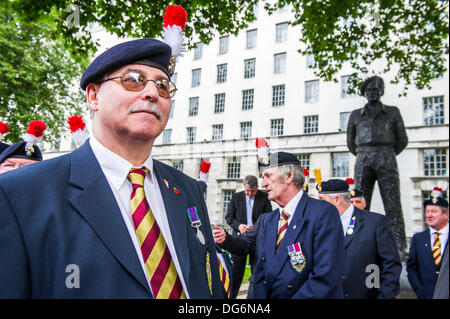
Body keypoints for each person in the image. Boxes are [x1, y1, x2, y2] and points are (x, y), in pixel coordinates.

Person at [0, 37, 226, 298]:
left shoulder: (186, 189)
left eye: (163, 86)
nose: (152, 93)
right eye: (133, 79)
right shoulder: (20, 194)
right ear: (94, 96)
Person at [252, 152, 345, 298]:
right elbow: (260, 274)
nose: (263, 184)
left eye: (268, 176)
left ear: (289, 176)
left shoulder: (323, 213)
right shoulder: (269, 220)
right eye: (262, 177)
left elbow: (325, 277)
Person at [347, 75, 408, 256]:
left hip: (386, 156)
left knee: (393, 203)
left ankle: (400, 246)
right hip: (363, 157)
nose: (372, 94)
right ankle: (356, 242)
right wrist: (365, 152)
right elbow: (351, 142)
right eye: (369, 91)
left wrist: (386, 153)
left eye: (375, 90)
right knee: (358, 202)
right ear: (365, 93)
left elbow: (402, 139)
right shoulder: (356, 115)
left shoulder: (393, 112)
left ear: (381, 91)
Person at [317, 179, 401, 299]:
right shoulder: (319, 225)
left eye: (321, 200)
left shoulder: (375, 223)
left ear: (336, 200)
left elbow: (391, 265)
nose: (317, 204)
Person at [225, 175, 272, 298]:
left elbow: (268, 217)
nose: (249, 193)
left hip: (257, 241)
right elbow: (229, 217)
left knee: (257, 273)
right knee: (235, 275)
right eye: (247, 190)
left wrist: (256, 227)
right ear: (244, 187)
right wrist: (239, 226)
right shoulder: (236, 197)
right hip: (239, 239)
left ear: (257, 187)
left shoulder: (265, 197)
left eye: (252, 191)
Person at [407, 189, 449, 299]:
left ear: (446, 214)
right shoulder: (418, 239)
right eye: (427, 211)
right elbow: (412, 268)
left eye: (434, 211)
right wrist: (420, 290)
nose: (429, 215)